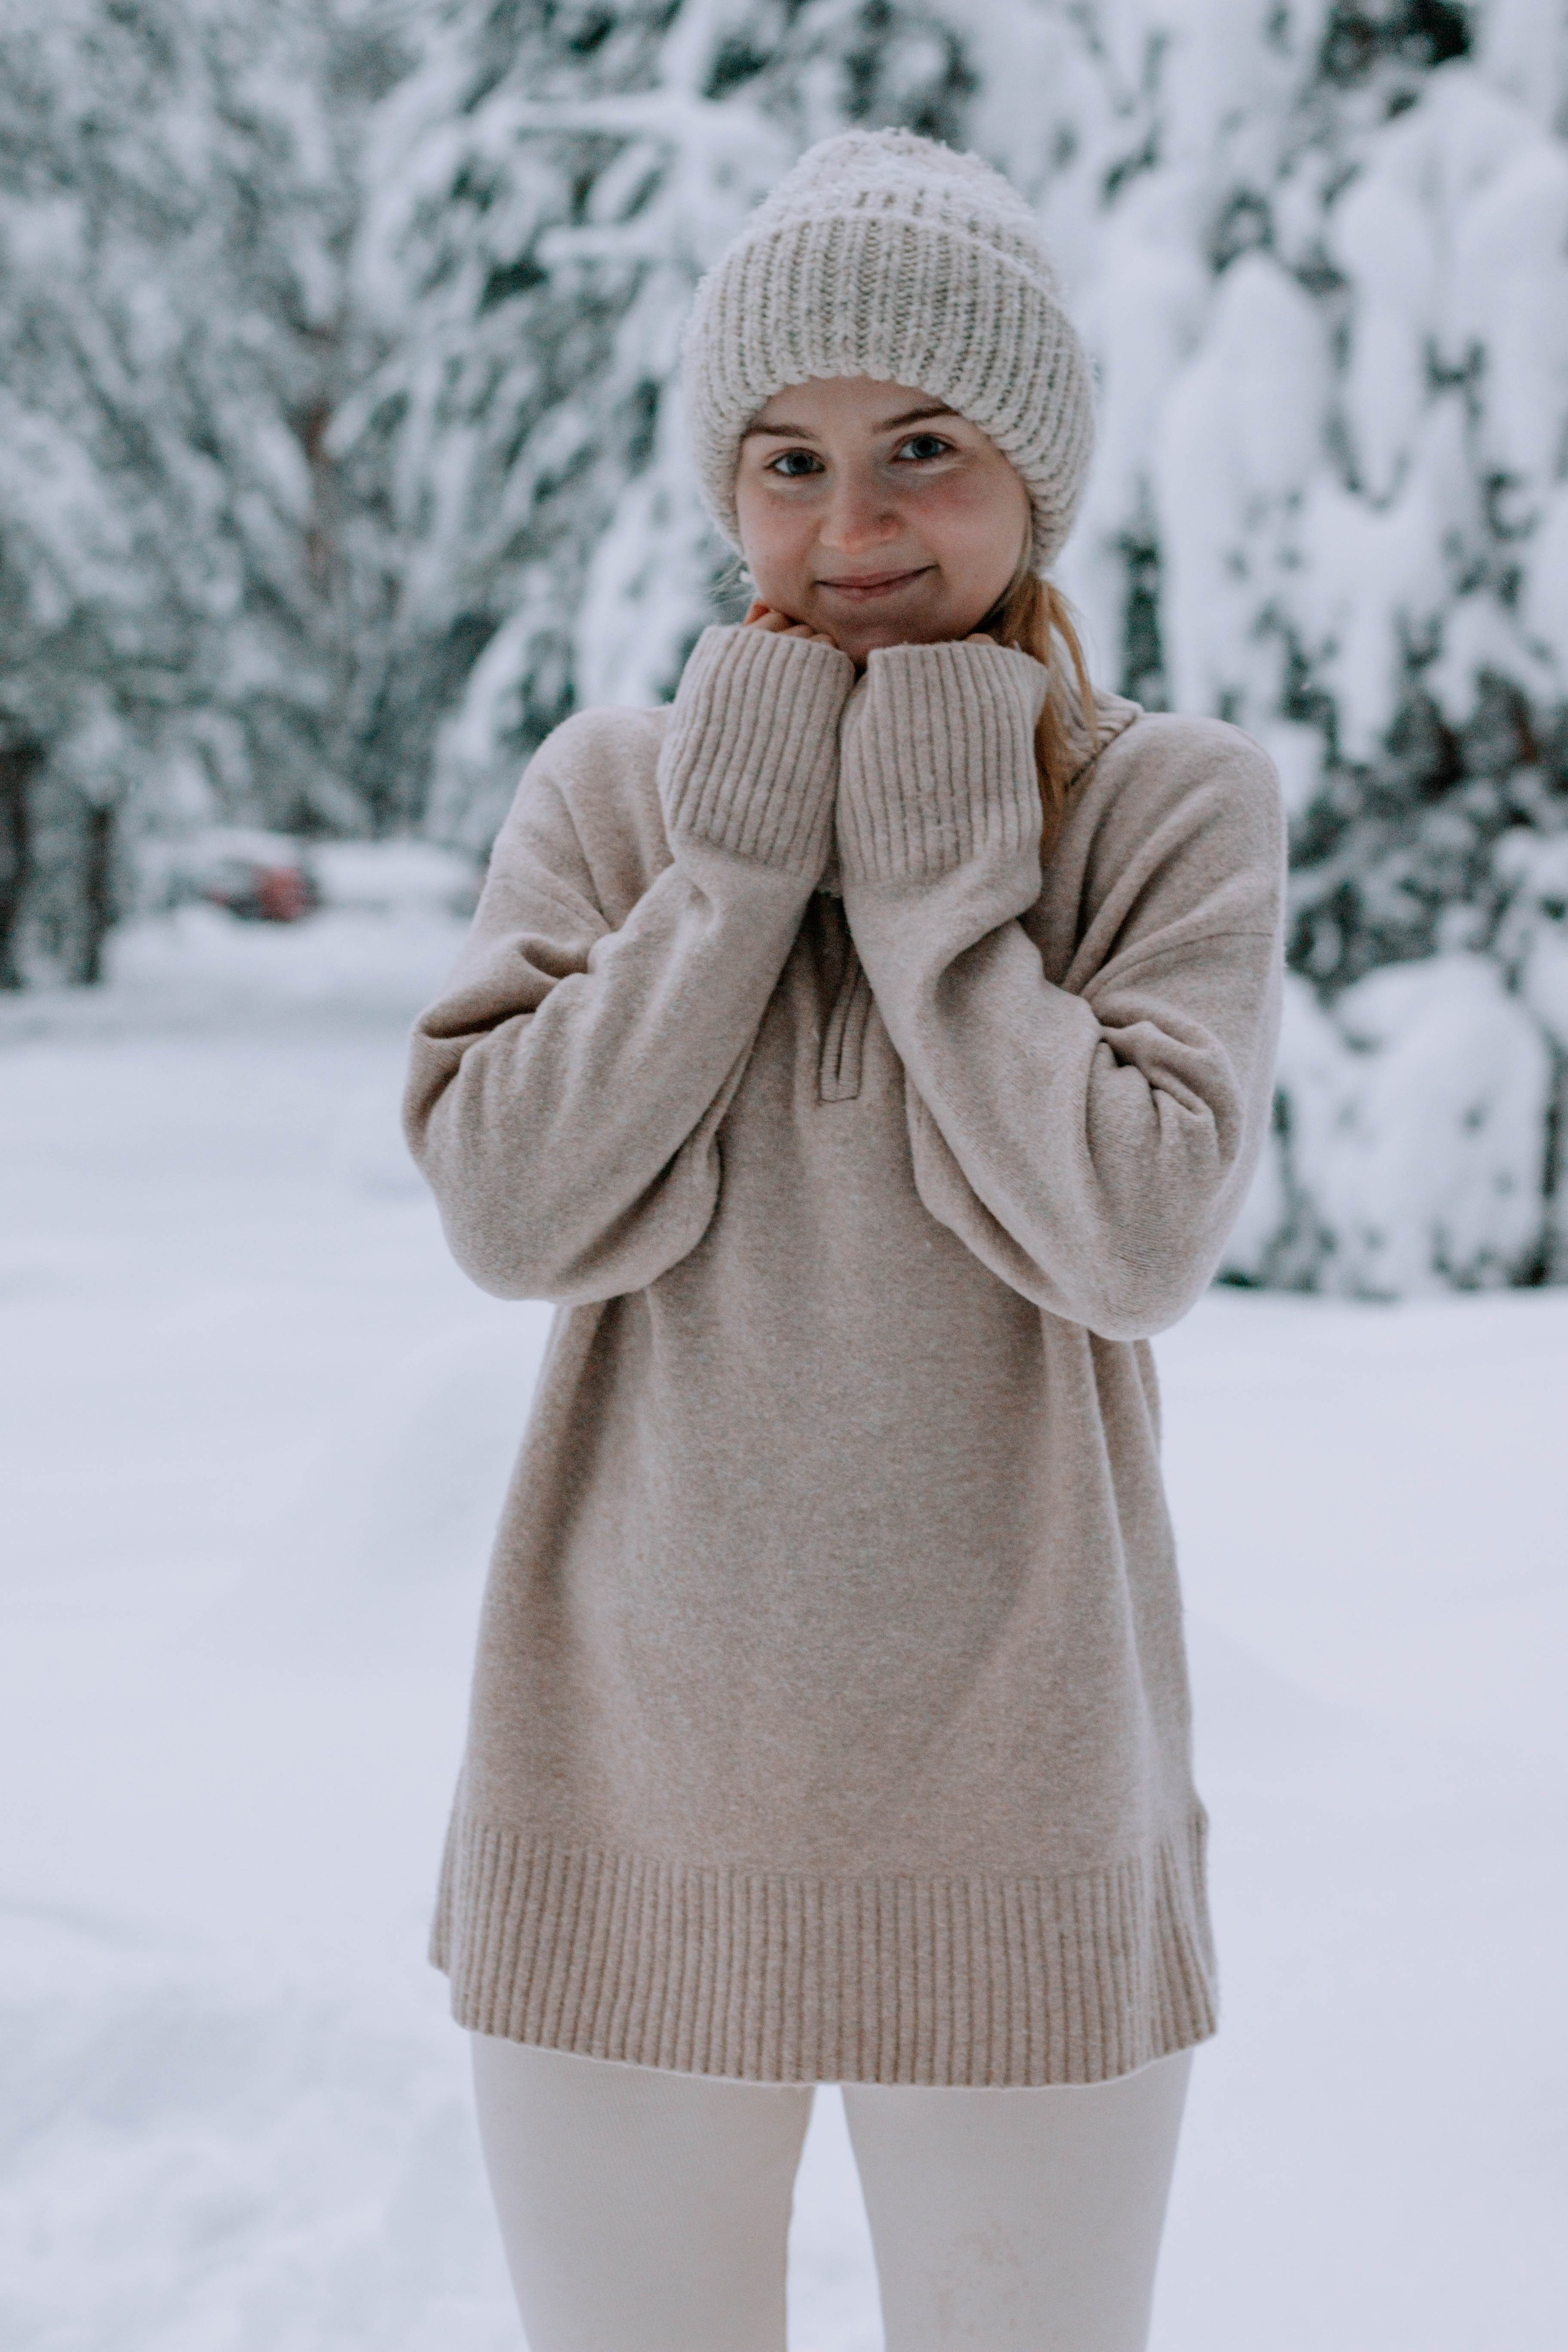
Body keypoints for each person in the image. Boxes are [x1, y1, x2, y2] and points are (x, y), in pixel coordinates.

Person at [404, 127, 1286, 2352]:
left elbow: (1135, 1237)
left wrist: (927, 895)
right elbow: (512, 1207)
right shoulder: (621, 793)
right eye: (785, 459)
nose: (851, 525)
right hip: (620, 1805)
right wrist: (727, 880)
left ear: (1034, 477)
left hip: (1022, 1824)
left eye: (922, 449)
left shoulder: (1166, 809)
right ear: (726, 485)